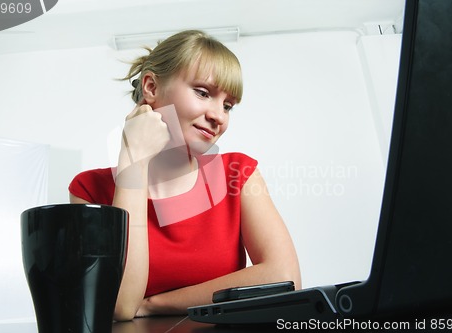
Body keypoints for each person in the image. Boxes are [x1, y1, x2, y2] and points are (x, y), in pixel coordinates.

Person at [68, 30, 301, 321]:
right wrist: (133, 161)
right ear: (151, 86)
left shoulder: (238, 174)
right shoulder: (89, 190)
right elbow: (121, 304)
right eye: (203, 93)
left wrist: (154, 304)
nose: (219, 116)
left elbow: (285, 277)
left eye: (228, 106)